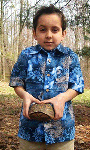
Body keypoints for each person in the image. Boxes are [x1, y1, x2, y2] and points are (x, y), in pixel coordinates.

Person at [9, 5, 84, 150]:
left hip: (62, 131)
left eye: (55, 30)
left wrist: (62, 98)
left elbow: (77, 85)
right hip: (30, 130)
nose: (49, 35)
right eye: (43, 30)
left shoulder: (70, 57)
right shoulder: (26, 55)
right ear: (34, 33)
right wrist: (24, 95)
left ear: (63, 33)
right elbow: (16, 81)